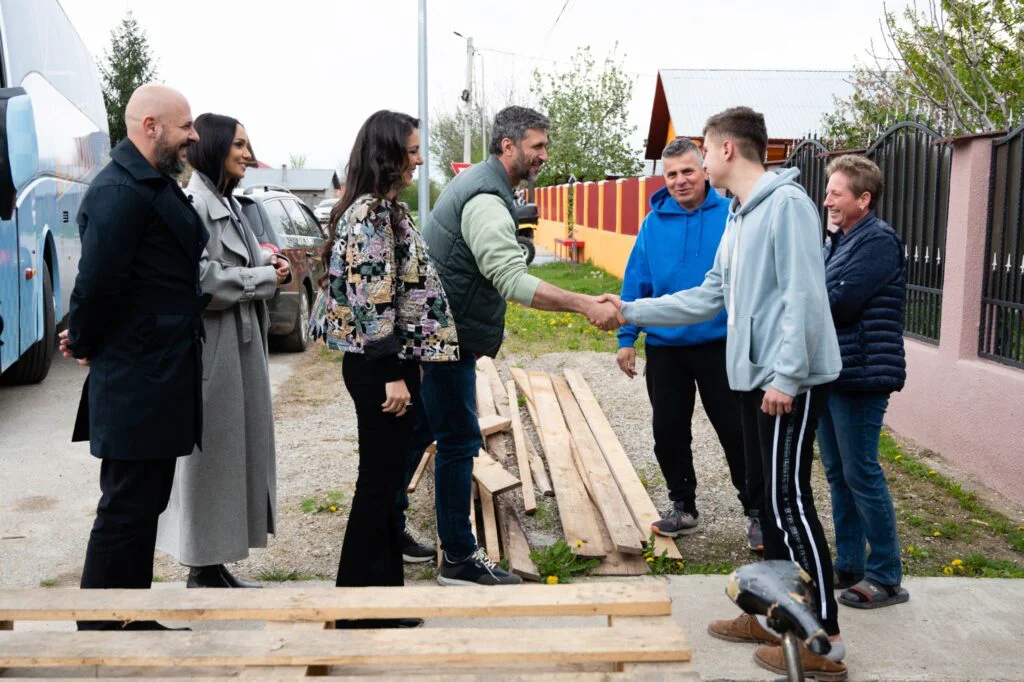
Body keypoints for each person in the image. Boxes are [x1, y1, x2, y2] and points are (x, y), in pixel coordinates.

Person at [602, 107, 847, 680]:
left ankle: (824, 634)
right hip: (755, 378)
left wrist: (786, 376)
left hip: (785, 382)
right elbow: (709, 295)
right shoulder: (742, 213)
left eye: (705, 153)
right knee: (768, 495)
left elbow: (805, 299)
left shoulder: (785, 206)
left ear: (727, 150)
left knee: (790, 504)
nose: (699, 164)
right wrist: (628, 310)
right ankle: (774, 616)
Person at [419, 105, 622, 586]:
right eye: (537, 146)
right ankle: (459, 559)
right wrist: (583, 304)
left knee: (417, 435)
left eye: (544, 146)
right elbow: (511, 278)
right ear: (507, 146)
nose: (543, 156)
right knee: (457, 442)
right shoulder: (487, 198)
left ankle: (390, 527)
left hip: (441, 336)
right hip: (445, 341)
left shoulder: (489, 187)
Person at [59, 84, 206, 631]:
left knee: (144, 504)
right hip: (138, 374)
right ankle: (99, 629)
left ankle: (131, 617)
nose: (193, 135)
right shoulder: (120, 190)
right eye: (185, 125)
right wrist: (84, 340)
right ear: (151, 126)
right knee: (125, 507)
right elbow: (97, 284)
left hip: (158, 371)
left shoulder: (150, 182)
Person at [310, 110, 459, 627]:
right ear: (388, 154)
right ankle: (367, 611)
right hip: (379, 368)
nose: (419, 159)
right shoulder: (372, 213)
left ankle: (366, 605)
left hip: (381, 364)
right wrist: (395, 371)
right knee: (378, 485)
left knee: (379, 483)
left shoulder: (376, 208)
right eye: (412, 150)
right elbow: (373, 300)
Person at [155, 113, 290, 588]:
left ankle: (212, 564)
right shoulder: (195, 206)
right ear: (213, 148)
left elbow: (236, 269)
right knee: (211, 460)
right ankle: (202, 567)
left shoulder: (229, 205)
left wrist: (269, 265)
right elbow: (204, 282)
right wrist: (266, 277)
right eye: (238, 145)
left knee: (231, 456)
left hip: (238, 345)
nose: (248, 155)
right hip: (216, 351)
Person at [617, 136, 760, 549]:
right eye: (672, 174)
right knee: (668, 431)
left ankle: (756, 513)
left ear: (704, 171)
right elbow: (636, 281)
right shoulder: (653, 223)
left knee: (736, 431)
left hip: (719, 344)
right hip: (665, 347)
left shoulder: (730, 216)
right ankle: (683, 506)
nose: (680, 181)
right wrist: (627, 338)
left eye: (688, 172)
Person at [818, 155, 909, 609]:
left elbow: (841, 303)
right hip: (836, 371)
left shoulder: (877, 241)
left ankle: (886, 575)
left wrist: (808, 295)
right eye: (829, 191)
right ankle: (851, 562)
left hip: (864, 373)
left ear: (863, 198)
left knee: (861, 472)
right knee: (838, 474)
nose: (827, 199)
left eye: (837, 192)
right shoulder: (840, 241)